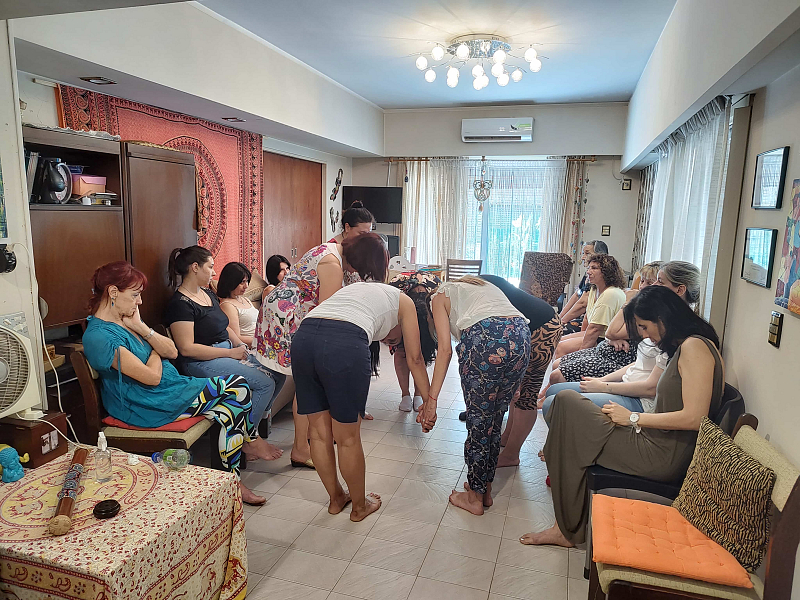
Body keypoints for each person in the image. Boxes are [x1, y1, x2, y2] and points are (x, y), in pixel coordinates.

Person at [521, 285, 724, 548]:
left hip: (661, 454)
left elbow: (695, 418)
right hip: (654, 439)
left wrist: (633, 418)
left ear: (662, 318)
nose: (644, 335)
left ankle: (566, 529)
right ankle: (566, 517)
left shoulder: (695, 347)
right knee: (565, 401)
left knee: (570, 428)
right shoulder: (687, 345)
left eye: (644, 327)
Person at [82, 261, 277, 506]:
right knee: (237, 388)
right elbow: (151, 377)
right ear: (113, 292)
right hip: (145, 403)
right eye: (134, 295)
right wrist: (155, 350)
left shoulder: (127, 321)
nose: (139, 302)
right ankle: (243, 457)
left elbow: (172, 351)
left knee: (231, 406)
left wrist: (142, 328)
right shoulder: (99, 336)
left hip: (169, 389)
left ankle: (231, 482)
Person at [292, 280, 432, 522]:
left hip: (304, 337)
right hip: (343, 342)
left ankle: (336, 498)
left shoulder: (361, 290)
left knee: (318, 433)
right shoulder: (405, 302)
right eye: (392, 341)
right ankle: (359, 507)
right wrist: (430, 402)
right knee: (347, 438)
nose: (388, 341)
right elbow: (416, 359)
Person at [255, 233, 389, 468]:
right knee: (306, 380)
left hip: (291, 313)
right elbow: (329, 314)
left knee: (308, 379)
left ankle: (309, 438)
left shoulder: (334, 250)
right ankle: (300, 448)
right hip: (287, 318)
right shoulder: (332, 264)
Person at [418, 276, 531, 516]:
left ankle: (474, 499)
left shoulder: (438, 297)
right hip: (522, 336)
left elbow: (445, 350)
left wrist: (431, 401)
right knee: (495, 420)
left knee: (479, 422)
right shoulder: (478, 286)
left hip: (485, 340)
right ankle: (484, 489)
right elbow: (507, 321)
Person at [164, 246, 285, 461]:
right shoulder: (180, 304)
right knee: (264, 383)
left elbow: (224, 326)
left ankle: (252, 424)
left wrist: (240, 346)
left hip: (226, 350)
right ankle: (248, 440)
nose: (213, 272)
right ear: (195, 267)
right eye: (210, 267)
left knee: (278, 371)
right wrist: (230, 354)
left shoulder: (207, 293)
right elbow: (187, 348)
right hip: (200, 362)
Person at [468, 275, 563, 469]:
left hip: (542, 327)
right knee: (515, 390)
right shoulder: (472, 285)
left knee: (526, 395)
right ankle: (507, 438)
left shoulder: (469, 292)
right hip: (534, 322)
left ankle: (512, 455)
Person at [542, 261, 662, 393]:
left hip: (618, 359)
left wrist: (628, 303)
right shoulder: (594, 290)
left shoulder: (646, 311)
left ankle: (549, 394)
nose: (642, 286)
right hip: (606, 348)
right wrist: (559, 320)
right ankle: (548, 393)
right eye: (642, 281)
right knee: (557, 361)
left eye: (649, 283)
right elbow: (594, 320)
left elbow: (610, 331)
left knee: (557, 369)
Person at [552, 254, 627, 361]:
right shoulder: (594, 289)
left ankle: (562, 370)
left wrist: (578, 357)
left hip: (607, 340)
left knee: (561, 347)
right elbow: (587, 318)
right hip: (598, 335)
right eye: (589, 268)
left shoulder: (610, 293)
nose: (588, 271)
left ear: (607, 272)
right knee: (558, 341)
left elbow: (595, 329)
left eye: (594, 268)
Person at [387, 270, 440, 412]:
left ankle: (418, 394)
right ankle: (405, 395)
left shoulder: (436, 292)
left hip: (427, 317)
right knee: (401, 352)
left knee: (421, 354)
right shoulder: (396, 288)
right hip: (399, 315)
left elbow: (418, 359)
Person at [560, 240, 609, 334]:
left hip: (592, 324)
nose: (583, 257)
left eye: (587, 253)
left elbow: (583, 303)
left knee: (555, 331)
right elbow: (576, 295)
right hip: (581, 319)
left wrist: (561, 321)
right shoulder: (587, 275)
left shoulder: (599, 278)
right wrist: (560, 317)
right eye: (583, 253)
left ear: (600, 256)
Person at [218, 262, 259, 348]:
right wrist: (263, 342)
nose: (246, 286)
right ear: (231, 282)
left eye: (247, 281)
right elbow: (236, 338)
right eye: (242, 282)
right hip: (252, 346)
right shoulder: (227, 305)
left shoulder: (245, 299)